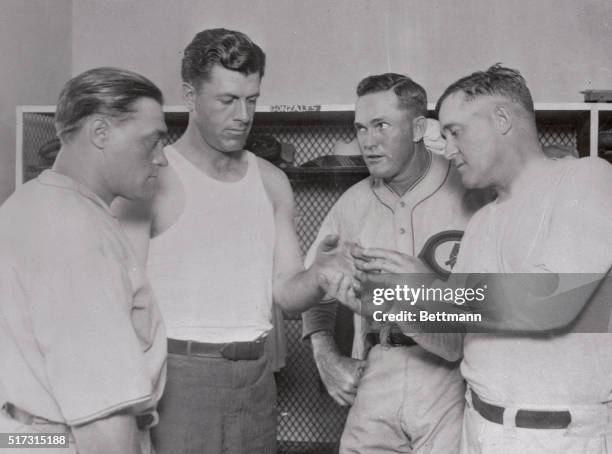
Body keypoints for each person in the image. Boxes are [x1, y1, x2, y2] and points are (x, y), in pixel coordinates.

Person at [113, 28, 354, 454]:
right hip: (177, 378)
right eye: (227, 100)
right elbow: (116, 306)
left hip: (256, 378)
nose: (243, 115)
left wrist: (318, 276)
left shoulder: (271, 180)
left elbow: (288, 294)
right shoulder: (151, 177)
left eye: (252, 99)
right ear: (190, 96)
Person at [354, 64, 612, 453]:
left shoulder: (584, 179)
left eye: (456, 132)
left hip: (557, 437)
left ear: (503, 119)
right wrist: (396, 304)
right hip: (478, 428)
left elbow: (553, 300)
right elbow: (454, 342)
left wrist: (431, 289)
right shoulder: (481, 221)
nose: (449, 149)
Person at [301, 73, 481, 453]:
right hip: (377, 364)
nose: (367, 141)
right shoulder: (352, 203)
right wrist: (325, 355)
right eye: (360, 128)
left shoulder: (470, 189)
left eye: (382, 126)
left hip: (453, 375)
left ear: (418, 127)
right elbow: (316, 285)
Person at [0, 67, 169, 453]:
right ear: (100, 133)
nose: (162, 159)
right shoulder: (76, 233)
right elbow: (104, 415)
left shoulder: (30, 201)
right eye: (152, 141)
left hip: (28, 436)